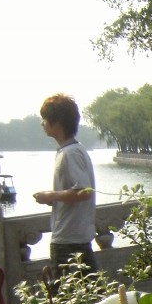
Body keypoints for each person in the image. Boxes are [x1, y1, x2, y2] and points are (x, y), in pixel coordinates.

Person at [33, 93, 98, 275]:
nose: (42, 123)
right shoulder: (72, 150)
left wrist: (51, 196)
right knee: (83, 295)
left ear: (58, 122)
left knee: (68, 297)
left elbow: (84, 192)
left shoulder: (70, 153)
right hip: (74, 236)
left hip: (69, 239)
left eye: (45, 119)